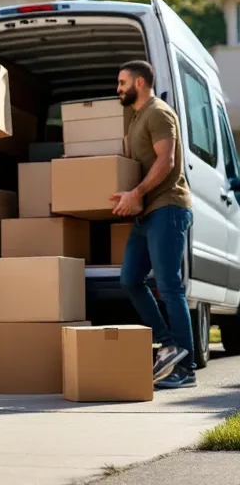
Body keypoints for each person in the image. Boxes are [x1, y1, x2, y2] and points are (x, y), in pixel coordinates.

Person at [112, 60, 196, 389]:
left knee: (170, 287)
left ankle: (185, 368)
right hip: (145, 213)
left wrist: (137, 192)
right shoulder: (135, 118)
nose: (118, 88)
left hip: (168, 207)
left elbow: (167, 160)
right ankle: (169, 344)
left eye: (122, 82)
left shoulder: (159, 112)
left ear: (141, 82)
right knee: (130, 279)